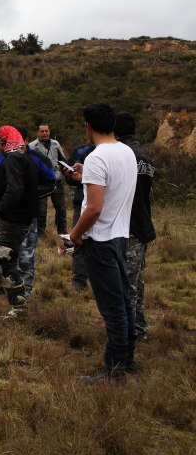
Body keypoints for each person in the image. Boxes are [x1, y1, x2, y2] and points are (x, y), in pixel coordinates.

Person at [68, 103, 138, 383]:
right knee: (124, 302)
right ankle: (128, 361)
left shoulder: (98, 157)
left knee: (113, 309)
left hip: (100, 241)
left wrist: (75, 235)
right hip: (120, 236)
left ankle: (114, 369)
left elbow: (94, 209)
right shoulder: (127, 152)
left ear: (88, 126)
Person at [0, 126, 38, 318]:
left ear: (5, 143)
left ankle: (19, 308)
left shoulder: (13, 159)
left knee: (7, 262)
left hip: (14, 219)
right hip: (21, 218)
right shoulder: (27, 159)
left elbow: (14, 190)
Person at [114, 112, 156, 341]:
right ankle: (139, 329)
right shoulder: (145, 156)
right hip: (143, 225)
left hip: (128, 227)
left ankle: (127, 334)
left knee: (126, 285)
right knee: (137, 282)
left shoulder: (125, 155)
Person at [66, 140, 95, 290]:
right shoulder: (81, 151)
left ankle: (99, 281)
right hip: (82, 202)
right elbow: (69, 179)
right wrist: (73, 176)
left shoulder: (114, 151)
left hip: (107, 204)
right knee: (79, 241)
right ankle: (79, 281)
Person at [29, 122, 68, 235]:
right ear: (38, 132)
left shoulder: (56, 144)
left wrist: (67, 170)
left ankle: (63, 232)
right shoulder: (32, 146)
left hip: (57, 179)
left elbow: (63, 160)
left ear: (49, 132)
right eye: (42, 131)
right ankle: (40, 234)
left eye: (46, 131)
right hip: (41, 181)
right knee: (41, 210)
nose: (44, 133)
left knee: (61, 208)